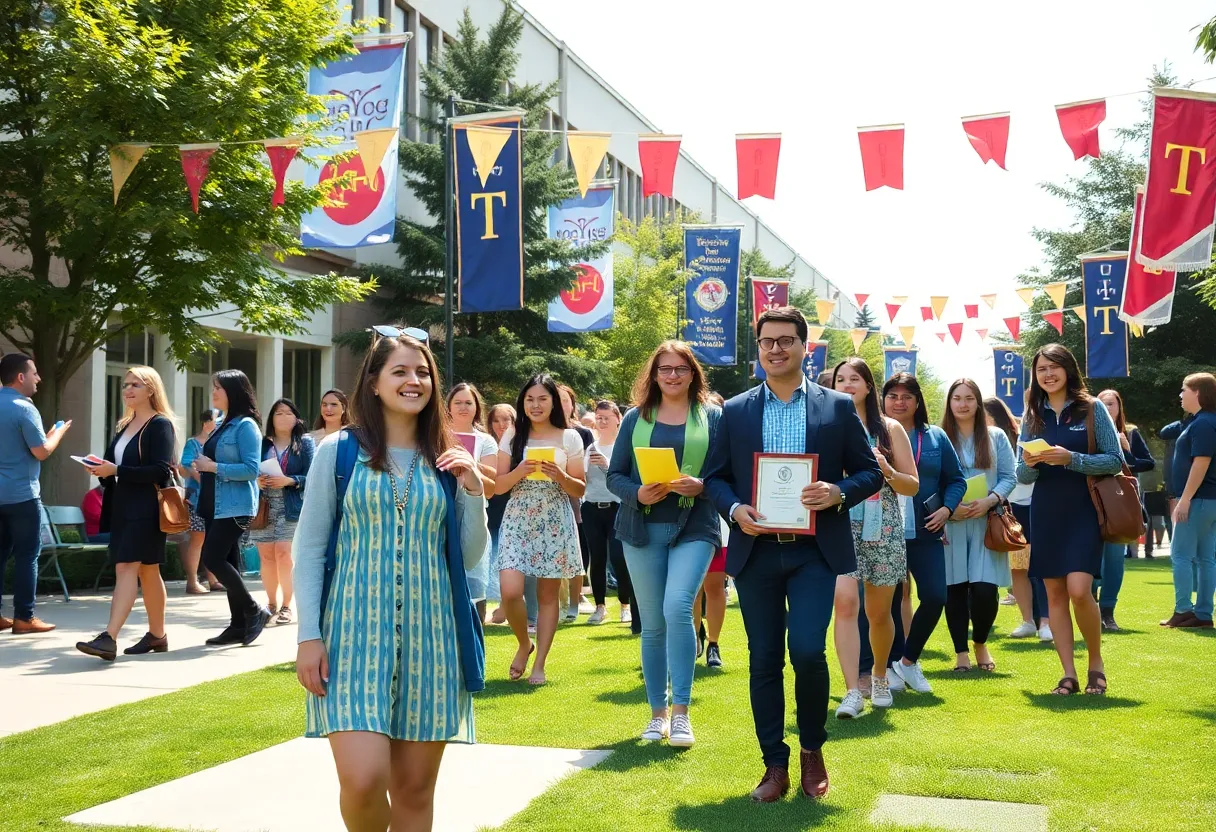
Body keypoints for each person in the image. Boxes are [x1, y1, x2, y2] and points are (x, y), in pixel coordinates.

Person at [293, 329, 488, 832]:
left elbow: (467, 555)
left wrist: (473, 490)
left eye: (422, 372)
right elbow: (311, 549)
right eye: (400, 371)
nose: (413, 381)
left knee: (414, 793)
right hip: (351, 639)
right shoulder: (337, 453)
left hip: (433, 641)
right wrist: (308, 636)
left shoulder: (447, 460)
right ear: (374, 383)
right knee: (361, 781)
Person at [704, 307, 882, 802]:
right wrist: (735, 507)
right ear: (758, 348)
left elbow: (871, 473)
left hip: (814, 553)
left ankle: (811, 750)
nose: (776, 349)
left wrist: (838, 492)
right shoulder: (735, 410)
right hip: (756, 551)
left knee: (806, 649)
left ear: (806, 347)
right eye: (767, 341)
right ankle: (773, 764)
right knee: (763, 659)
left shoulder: (837, 408)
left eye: (786, 340)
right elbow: (715, 478)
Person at [607, 341, 721, 748]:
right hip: (641, 527)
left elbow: (730, 477)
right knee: (653, 623)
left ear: (694, 374)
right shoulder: (636, 418)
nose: (672, 376)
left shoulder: (712, 418)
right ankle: (657, 714)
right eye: (664, 369)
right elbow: (615, 476)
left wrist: (703, 485)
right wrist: (637, 493)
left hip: (695, 524)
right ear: (653, 375)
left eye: (681, 369)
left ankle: (682, 714)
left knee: (678, 607)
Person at [1017, 344, 1123, 696]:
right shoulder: (1032, 416)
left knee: (1080, 590)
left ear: (1068, 369)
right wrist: (1029, 465)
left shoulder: (1091, 409)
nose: (1048, 374)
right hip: (1045, 511)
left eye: (1054, 367)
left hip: (1084, 510)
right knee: (1055, 595)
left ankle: (1096, 662)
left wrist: (1071, 459)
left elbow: (1113, 459)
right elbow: (1021, 475)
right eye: (1041, 369)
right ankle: (1068, 674)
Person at [857, 373, 966, 695]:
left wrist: (947, 509)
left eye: (907, 396)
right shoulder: (871, 435)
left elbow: (956, 479)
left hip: (924, 528)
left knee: (935, 595)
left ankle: (908, 660)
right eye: (893, 396)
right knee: (883, 605)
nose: (900, 402)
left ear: (918, 402)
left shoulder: (935, 437)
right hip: (880, 528)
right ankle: (880, 667)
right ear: (883, 399)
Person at [831, 358, 918, 718]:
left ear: (869, 386)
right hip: (838, 525)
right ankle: (853, 689)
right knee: (846, 605)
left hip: (883, 526)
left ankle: (880, 675)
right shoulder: (825, 426)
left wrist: (886, 469)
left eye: (855, 378)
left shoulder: (890, 428)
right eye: (840, 379)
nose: (847, 384)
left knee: (879, 613)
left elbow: (911, 486)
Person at [76, 367, 177, 660]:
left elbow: (160, 470)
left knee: (126, 568)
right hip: (123, 506)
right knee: (148, 570)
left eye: (136, 384)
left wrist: (116, 469)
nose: (128, 389)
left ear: (151, 390)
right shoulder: (125, 425)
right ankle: (158, 636)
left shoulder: (160, 425)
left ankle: (109, 637)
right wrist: (101, 470)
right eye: (126, 385)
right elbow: (114, 472)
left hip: (146, 509)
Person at [495, 375, 586, 686]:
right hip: (518, 514)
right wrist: (519, 471)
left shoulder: (570, 438)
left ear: (553, 402)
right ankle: (524, 643)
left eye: (542, 399)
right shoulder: (512, 435)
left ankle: (540, 664)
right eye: (530, 399)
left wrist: (560, 475)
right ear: (523, 402)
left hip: (554, 516)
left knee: (548, 595)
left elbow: (579, 487)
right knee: (510, 591)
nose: (535, 405)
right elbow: (497, 486)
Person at [192, 370, 272, 646]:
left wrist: (212, 466)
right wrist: (202, 465)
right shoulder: (224, 423)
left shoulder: (246, 426)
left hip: (235, 506)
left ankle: (253, 610)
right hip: (215, 504)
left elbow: (251, 469)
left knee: (213, 559)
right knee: (231, 563)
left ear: (233, 391)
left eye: (218, 388)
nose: (213, 392)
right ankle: (238, 625)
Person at [940, 379, 1015, 673]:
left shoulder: (995, 437)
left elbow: (1010, 476)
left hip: (987, 521)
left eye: (969, 398)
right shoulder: (939, 436)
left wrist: (990, 500)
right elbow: (931, 477)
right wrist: (949, 508)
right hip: (953, 522)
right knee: (955, 589)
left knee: (985, 590)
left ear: (978, 402)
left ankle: (980, 642)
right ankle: (960, 652)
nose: (962, 404)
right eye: (957, 398)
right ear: (949, 403)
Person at [0, 353, 69, 635]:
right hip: (22, 495)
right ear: (20, 377)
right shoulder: (24, 408)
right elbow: (41, 451)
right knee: (28, 556)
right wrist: (58, 432)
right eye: (35, 373)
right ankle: (24, 618)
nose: (38, 378)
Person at [984, 397, 1052, 644]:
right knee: (1017, 567)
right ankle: (1028, 621)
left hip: (1035, 503)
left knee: (1041, 566)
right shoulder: (984, 441)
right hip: (1008, 508)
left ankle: (1047, 621)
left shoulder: (1019, 435)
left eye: (984, 415)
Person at [1094, 389, 1154, 630]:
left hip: (1120, 503)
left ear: (1119, 407)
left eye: (1111, 404)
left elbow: (1146, 463)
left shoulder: (1130, 431)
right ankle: (1090, 605)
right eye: (1102, 404)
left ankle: (1107, 612)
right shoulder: (1088, 432)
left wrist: (1126, 449)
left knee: (1115, 560)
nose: (1107, 408)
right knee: (1091, 559)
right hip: (1092, 501)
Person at [1160, 373, 1216, 629]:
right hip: (1209, 501)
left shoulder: (1203, 424)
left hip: (1198, 500)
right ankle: (1203, 614)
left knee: (1181, 554)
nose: (1180, 395)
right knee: (1206, 559)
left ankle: (1183, 609)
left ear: (1198, 393)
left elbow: (1201, 463)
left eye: (1184, 389)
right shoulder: (1201, 421)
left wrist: (1185, 499)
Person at [253, 399, 315, 627]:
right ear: (272, 418)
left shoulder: (305, 444)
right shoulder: (262, 444)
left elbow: (313, 476)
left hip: (292, 505)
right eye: (279, 413)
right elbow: (250, 471)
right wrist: (256, 481)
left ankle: (287, 605)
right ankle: (271, 604)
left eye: (289, 413)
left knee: (283, 554)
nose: (283, 417)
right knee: (267, 556)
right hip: (264, 505)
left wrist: (290, 480)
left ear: (297, 418)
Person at [447, 382, 499, 624]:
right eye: (457, 402)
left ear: (477, 407)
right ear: (448, 406)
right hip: (442, 511)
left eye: (468, 402)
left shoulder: (485, 441)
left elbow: (491, 488)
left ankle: (475, 635)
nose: (463, 407)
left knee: (474, 580)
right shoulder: (435, 435)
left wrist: (469, 463)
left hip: (474, 514)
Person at [582, 400, 635, 627]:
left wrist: (606, 465)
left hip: (616, 508)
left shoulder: (623, 448)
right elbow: (581, 478)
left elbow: (625, 479)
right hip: (592, 507)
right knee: (597, 558)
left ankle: (626, 605)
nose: (602, 422)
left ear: (617, 420)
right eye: (599, 417)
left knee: (618, 557)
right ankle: (600, 606)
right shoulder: (590, 447)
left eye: (606, 417)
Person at [558, 383, 596, 622]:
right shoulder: (540, 431)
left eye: (565, 400)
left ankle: (576, 598)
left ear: (572, 403)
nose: (561, 404)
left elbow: (588, 471)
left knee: (577, 551)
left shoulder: (582, 433)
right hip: (549, 497)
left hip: (577, 498)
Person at [180, 409, 222, 593]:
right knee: (198, 539)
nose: (220, 423)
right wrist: (203, 477)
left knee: (212, 540)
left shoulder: (218, 443)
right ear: (206, 423)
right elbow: (187, 465)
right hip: (197, 499)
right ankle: (192, 581)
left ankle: (213, 579)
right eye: (216, 420)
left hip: (216, 498)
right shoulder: (193, 444)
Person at [485, 403, 516, 625]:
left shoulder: (517, 445)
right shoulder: (486, 444)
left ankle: (505, 605)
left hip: (511, 509)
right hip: (489, 508)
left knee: (506, 561)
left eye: (506, 419)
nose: (501, 425)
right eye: (496, 420)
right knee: (491, 559)